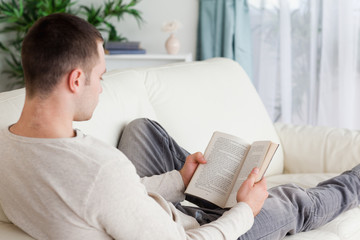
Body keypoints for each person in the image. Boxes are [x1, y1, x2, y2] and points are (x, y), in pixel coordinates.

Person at [0, 13, 358, 240]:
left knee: (141, 127)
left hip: (141, 211)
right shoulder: (100, 170)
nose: (101, 89)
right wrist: (245, 210)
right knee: (295, 201)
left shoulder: (7, 145)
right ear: (76, 80)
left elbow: (106, 198)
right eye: (100, 77)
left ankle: (211, 187)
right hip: (194, 228)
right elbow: (106, 190)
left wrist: (180, 180)